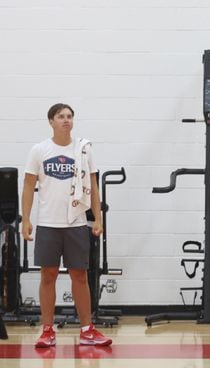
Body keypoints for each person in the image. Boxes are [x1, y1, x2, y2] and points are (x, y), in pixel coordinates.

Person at [21, 103, 112, 348]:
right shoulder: (39, 150)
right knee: (48, 275)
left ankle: (87, 330)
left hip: (76, 223)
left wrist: (97, 218)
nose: (66, 120)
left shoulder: (82, 150)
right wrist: (27, 219)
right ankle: (47, 331)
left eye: (70, 116)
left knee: (79, 276)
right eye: (61, 116)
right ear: (51, 121)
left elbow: (93, 186)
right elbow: (29, 185)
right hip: (49, 223)